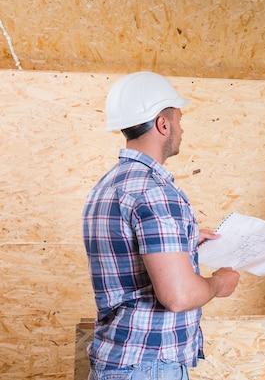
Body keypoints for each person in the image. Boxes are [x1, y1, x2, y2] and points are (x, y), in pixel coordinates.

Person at [82, 71, 240, 380]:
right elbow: (178, 296)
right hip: (148, 368)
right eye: (178, 120)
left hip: (117, 361)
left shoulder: (107, 186)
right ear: (162, 124)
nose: (181, 129)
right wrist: (219, 283)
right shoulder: (155, 191)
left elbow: (125, 251)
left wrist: (183, 242)